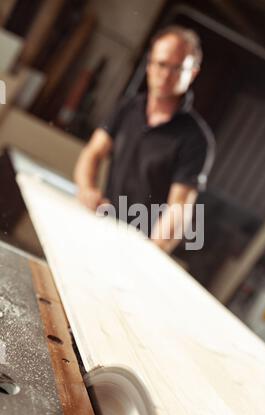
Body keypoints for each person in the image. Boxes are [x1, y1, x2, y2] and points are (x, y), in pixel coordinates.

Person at [74, 25, 214, 253]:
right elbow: (94, 151)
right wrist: (87, 188)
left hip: (140, 244)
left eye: (178, 68)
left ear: (194, 73)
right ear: (150, 64)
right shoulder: (127, 107)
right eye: (161, 64)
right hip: (101, 223)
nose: (167, 75)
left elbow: (178, 206)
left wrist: (151, 251)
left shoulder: (197, 139)